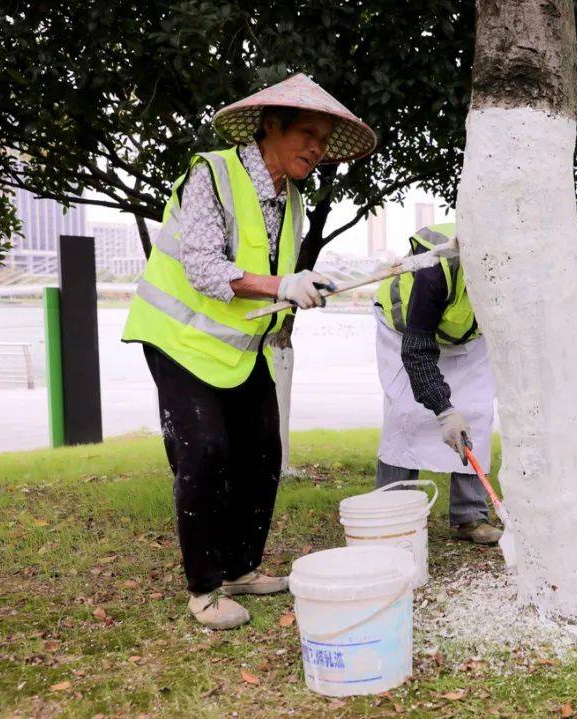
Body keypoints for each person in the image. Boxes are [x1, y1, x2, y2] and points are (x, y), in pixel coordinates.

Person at [122, 74, 376, 629]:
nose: (316, 148)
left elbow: (270, 278)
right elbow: (206, 269)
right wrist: (281, 285)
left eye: (324, 140)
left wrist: (301, 290)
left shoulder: (294, 200)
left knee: (263, 452)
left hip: (239, 349)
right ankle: (204, 589)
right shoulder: (211, 174)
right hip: (177, 339)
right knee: (205, 453)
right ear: (270, 128)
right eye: (306, 134)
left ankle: (240, 568)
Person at [373, 223, 502, 544]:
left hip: (465, 337)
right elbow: (417, 353)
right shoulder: (435, 271)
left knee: (477, 411)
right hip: (403, 326)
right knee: (407, 414)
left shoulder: (508, 276)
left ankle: (471, 516)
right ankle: (390, 512)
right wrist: (444, 412)